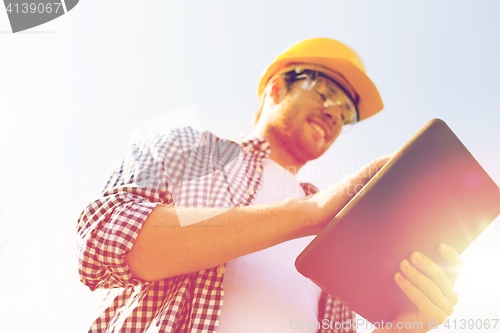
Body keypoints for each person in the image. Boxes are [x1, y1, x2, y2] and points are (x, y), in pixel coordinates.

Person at [76, 38, 463, 333]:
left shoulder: (338, 229)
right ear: (277, 89)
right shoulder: (191, 148)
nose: (334, 114)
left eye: (346, 113)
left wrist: (406, 323)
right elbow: (101, 241)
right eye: (325, 91)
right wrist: (308, 214)